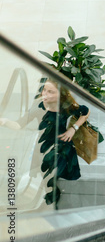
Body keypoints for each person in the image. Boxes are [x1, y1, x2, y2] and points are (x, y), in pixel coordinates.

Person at [0, 78, 90, 207]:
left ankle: (62, 206)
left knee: (60, 181)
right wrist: (5, 121)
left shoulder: (67, 107)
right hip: (44, 150)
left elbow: (85, 112)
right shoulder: (39, 108)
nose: (45, 94)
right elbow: (19, 125)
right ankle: (52, 206)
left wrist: (73, 129)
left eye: (51, 92)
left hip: (63, 151)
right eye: (44, 90)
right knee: (48, 181)